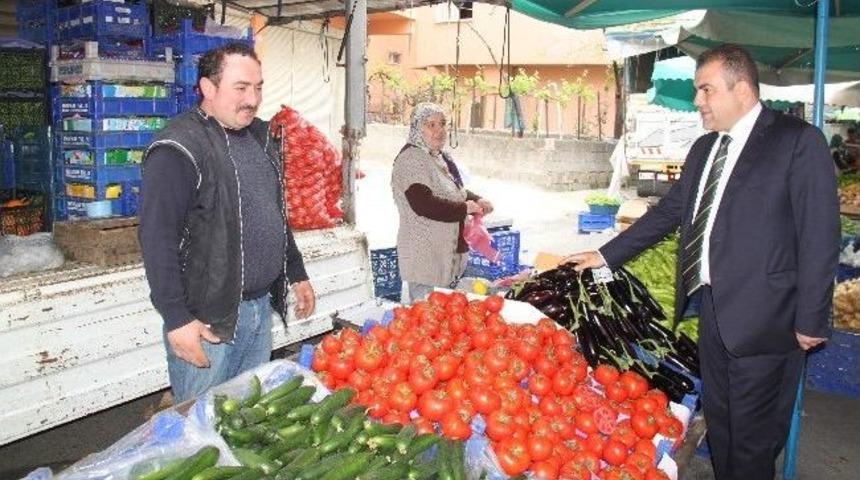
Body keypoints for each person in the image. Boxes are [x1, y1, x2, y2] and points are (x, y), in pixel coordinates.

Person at [566, 44, 839, 480]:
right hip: (712, 311)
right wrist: (606, 254)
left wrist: (812, 319)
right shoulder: (704, 149)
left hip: (769, 320)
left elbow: (820, 234)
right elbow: (670, 213)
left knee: (752, 442)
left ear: (742, 89)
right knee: (723, 428)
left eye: (706, 90)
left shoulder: (795, 142)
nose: (698, 102)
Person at [138, 43, 316, 403]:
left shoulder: (259, 138)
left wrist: (295, 272)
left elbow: (272, 213)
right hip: (208, 321)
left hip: (258, 310)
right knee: (202, 423)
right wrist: (176, 319)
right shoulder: (178, 147)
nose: (253, 99)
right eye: (241, 88)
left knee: (247, 416)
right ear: (208, 88)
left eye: (258, 87)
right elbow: (157, 239)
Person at [391, 103, 493, 303]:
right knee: (429, 319)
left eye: (442, 124)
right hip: (426, 259)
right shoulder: (411, 159)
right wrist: (464, 208)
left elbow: (455, 192)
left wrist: (476, 199)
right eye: (431, 125)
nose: (439, 131)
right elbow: (423, 203)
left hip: (446, 257)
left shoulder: (439, 157)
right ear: (417, 128)